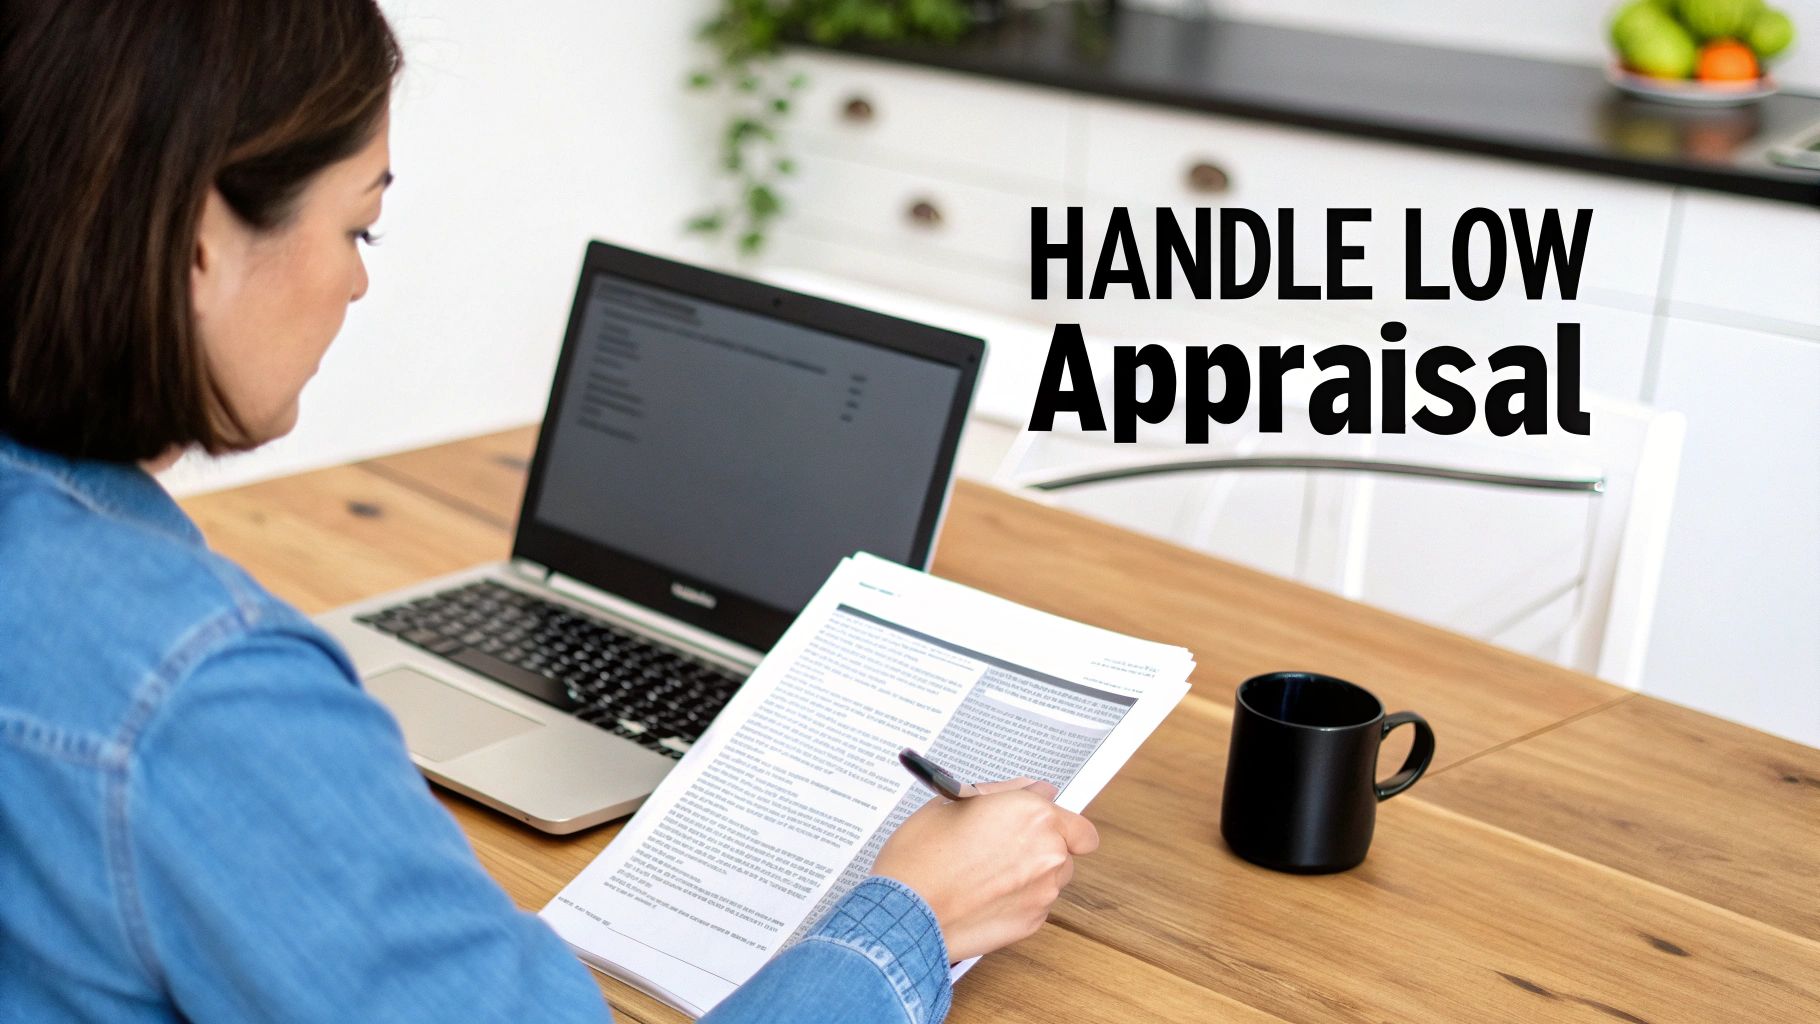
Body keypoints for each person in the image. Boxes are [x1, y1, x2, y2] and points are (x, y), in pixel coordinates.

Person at [0, 2, 1100, 1022]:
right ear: (201, 240)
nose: (356, 283)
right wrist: (912, 912)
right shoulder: (204, 698)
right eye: (359, 229)